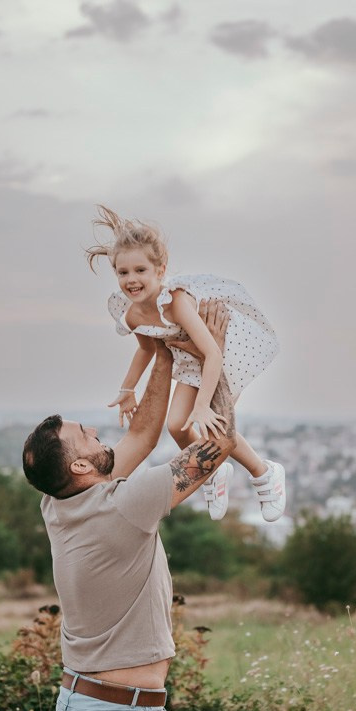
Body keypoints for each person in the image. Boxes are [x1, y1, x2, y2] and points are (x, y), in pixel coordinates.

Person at [21, 302, 236, 711]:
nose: (98, 431)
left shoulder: (57, 503)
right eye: (86, 434)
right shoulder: (123, 504)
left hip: (81, 704)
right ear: (79, 465)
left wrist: (162, 352)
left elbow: (141, 435)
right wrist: (211, 354)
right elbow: (219, 444)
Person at [86, 205, 287, 523]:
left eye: (140, 271)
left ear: (160, 271)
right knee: (178, 426)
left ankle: (265, 474)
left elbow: (213, 353)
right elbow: (145, 350)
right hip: (189, 356)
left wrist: (204, 405)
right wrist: (127, 389)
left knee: (215, 424)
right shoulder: (133, 312)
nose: (131, 280)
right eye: (123, 272)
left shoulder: (175, 302)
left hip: (222, 347)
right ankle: (214, 473)